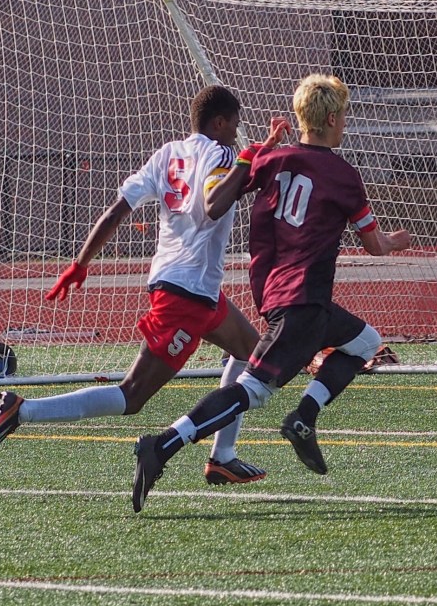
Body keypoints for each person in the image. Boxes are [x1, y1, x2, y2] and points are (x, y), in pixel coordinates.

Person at [0, 84, 290, 487]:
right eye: (234, 124)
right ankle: (21, 410)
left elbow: (116, 211)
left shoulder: (167, 154)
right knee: (131, 395)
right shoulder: (224, 154)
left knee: (251, 351)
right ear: (218, 123)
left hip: (188, 286)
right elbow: (215, 204)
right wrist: (254, 155)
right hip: (187, 296)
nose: (236, 132)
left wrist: (80, 264)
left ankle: (223, 456)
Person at [130, 73, 411, 513]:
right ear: (332, 119)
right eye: (343, 116)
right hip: (303, 302)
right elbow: (374, 245)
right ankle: (163, 445)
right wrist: (395, 241)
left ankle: (304, 418)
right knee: (252, 391)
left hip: (281, 295)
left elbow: (218, 198)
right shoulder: (343, 175)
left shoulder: (269, 159)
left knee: (365, 342)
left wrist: (253, 152)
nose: (345, 124)